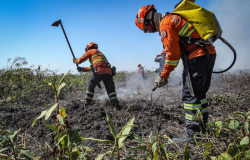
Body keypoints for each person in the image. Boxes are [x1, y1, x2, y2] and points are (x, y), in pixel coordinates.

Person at [135, 1, 216, 143]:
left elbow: (172, 56)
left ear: (149, 18)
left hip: (196, 57)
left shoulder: (165, 24)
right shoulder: (173, 18)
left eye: (147, 28)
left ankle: (192, 135)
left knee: (190, 95)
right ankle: (203, 129)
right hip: (208, 53)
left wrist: (163, 75)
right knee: (199, 94)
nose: (151, 31)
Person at [73, 42, 119, 109]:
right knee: (110, 89)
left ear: (89, 47)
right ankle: (115, 105)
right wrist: (82, 69)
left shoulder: (91, 51)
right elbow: (94, 66)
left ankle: (87, 103)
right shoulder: (100, 54)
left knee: (91, 84)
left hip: (99, 71)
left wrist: (75, 61)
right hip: (108, 72)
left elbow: (80, 60)